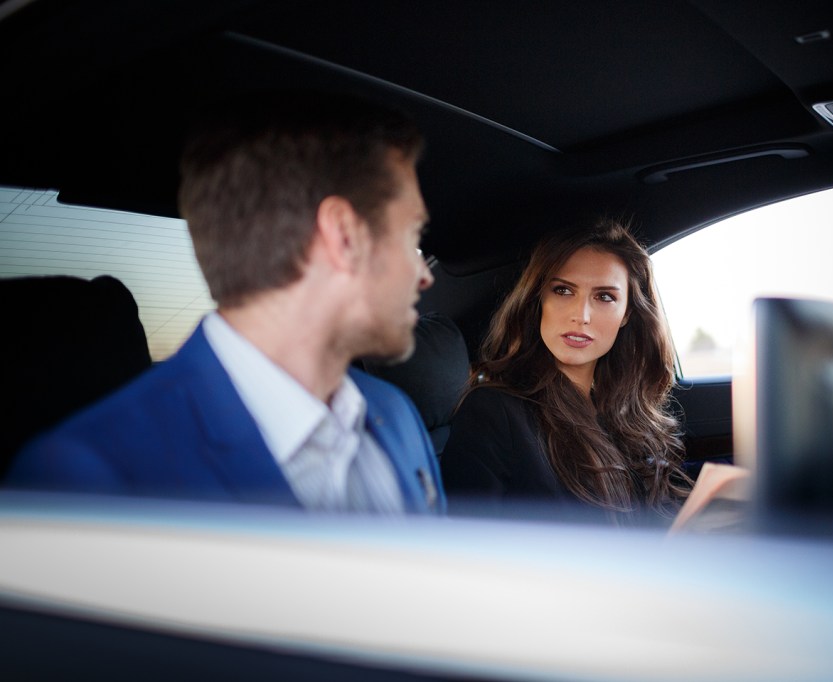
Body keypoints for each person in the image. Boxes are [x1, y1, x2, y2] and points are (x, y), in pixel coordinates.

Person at [7, 91, 445, 514]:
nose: (423, 274)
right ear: (344, 236)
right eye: (412, 235)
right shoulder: (85, 479)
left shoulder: (394, 415)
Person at [440, 219, 689, 523]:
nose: (581, 316)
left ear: (627, 314)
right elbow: (469, 542)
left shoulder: (627, 414)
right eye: (563, 290)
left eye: (604, 297)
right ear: (538, 300)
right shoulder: (493, 411)